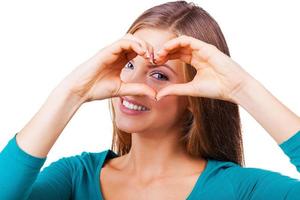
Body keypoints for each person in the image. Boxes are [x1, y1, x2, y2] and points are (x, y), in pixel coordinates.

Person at [0, 1, 299, 199]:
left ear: (196, 96)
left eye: (159, 75)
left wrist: (240, 87)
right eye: (129, 65)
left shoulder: (237, 189)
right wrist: (72, 92)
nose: (131, 85)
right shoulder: (76, 178)